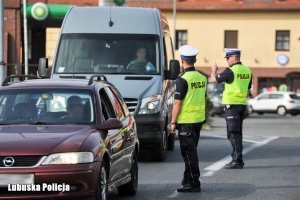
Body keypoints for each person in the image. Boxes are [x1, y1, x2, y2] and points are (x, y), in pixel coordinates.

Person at [170, 45, 207, 193]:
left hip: (186, 121)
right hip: (198, 120)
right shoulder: (201, 77)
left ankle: (194, 182)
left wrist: (172, 122)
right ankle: (187, 180)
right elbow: (203, 98)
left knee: (189, 152)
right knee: (190, 151)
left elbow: (177, 102)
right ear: (195, 60)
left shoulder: (183, 79)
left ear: (182, 61)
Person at [210, 49, 252, 169]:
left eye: (227, 58)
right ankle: (237, 158)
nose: (227, 60)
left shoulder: (230, 71)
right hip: (242, 105)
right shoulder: (247, 71)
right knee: (238, 133)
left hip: (232, 106)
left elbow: (213, 80)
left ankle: (237, 160)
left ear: (234, 57)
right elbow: (248, 86)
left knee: (233, 133)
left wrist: (214, 70)